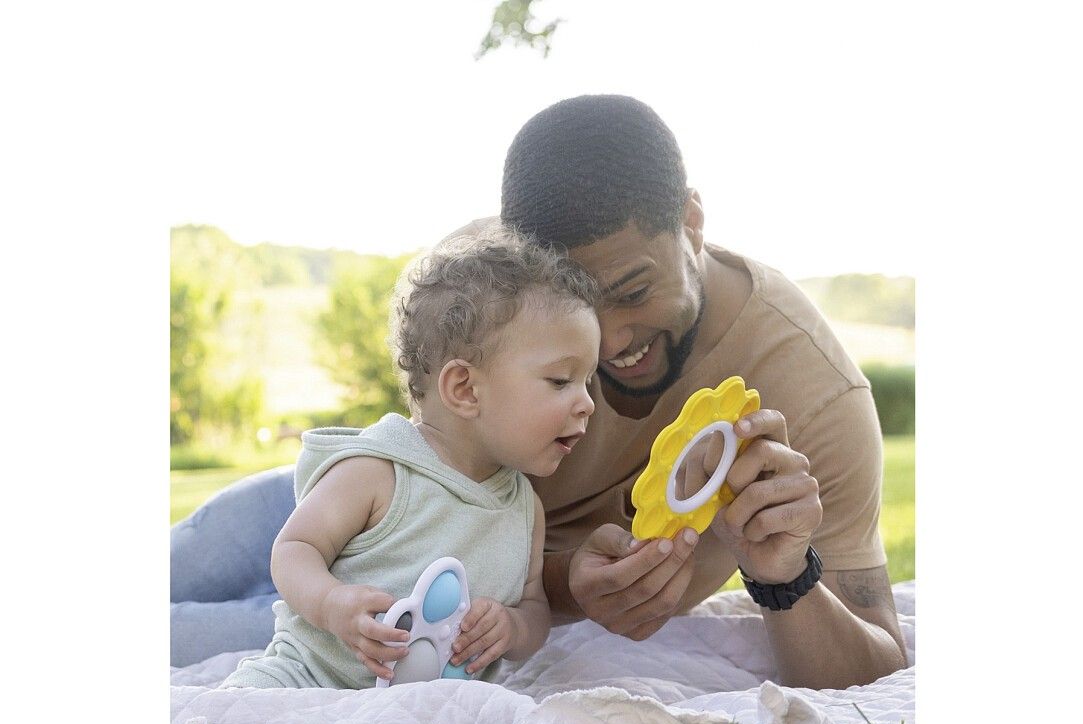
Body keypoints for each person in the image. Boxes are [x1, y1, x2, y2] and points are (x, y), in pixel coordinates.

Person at [172, 94, 907, 689]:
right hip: (361, 503)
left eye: (633, 290)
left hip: (416, 611)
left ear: (691, 222)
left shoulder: (812, 393)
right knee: (186, 556)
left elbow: (877, 667)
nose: (609, 343)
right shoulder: (503, 284)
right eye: (578, 320)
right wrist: (568, 579)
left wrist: (784, 574)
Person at [217, 228, 600, 688]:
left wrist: (513, 627)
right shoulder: (378, 471)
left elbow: (534, 608)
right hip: (308, 680)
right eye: (561, 381)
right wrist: (332, 604)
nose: (587, 403)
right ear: (464, 389)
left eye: (588, 382)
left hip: (432, 711)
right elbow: (294, 550)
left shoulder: (523, 508)